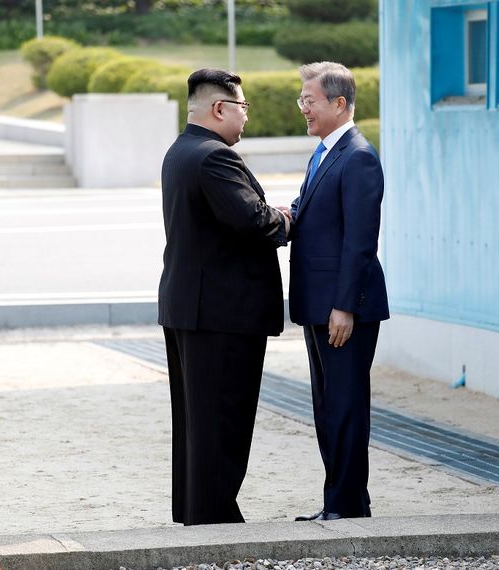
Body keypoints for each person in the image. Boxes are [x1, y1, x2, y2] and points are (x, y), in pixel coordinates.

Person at [158, 68, 290, 526]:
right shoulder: (215, 157)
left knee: (197, 422)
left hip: (189, 308)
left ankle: (197, 511)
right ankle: (214, 517)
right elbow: (254, 221)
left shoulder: (179, 151)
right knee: (223, 421)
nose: (246, 118)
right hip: (221, 314)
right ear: (220, 108)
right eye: (243, 108)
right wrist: (285, 218)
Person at [286, 61, 390, 521]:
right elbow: (310, 207)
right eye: (302, 100)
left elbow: (361, 241)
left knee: (345, 408)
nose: (303, 108)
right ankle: (344, 503)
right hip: (318, 305)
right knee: (327, 407)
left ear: (339, 104)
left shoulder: (359, 155)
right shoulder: (325, 151)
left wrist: (345, 306)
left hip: (344, 310)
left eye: (309, 101)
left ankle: (346, 508)